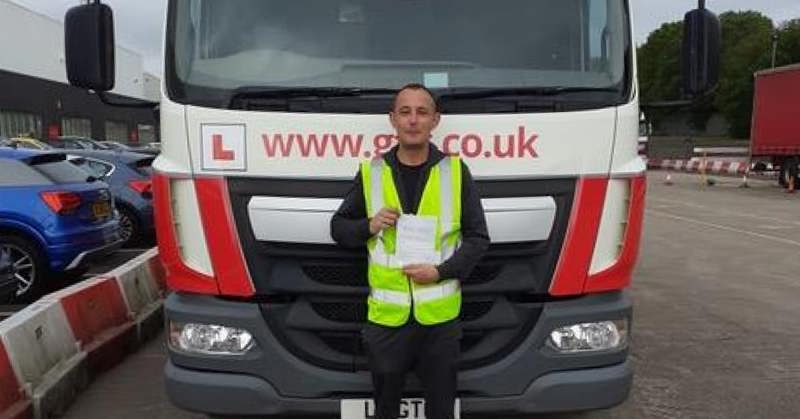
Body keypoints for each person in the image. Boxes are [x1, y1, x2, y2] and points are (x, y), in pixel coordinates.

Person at [331, 83, 489, 419]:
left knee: (442, 411)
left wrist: (441, 272)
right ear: (393, 120)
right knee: (385, 410)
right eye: (405, 112)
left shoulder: (457, 172)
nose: (413, 120)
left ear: (435, 120)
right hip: (387, 322)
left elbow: (478, 239)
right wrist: (369, 226)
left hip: (440, 321)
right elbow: (339, 229)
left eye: (422, 112)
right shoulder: (371, 172)